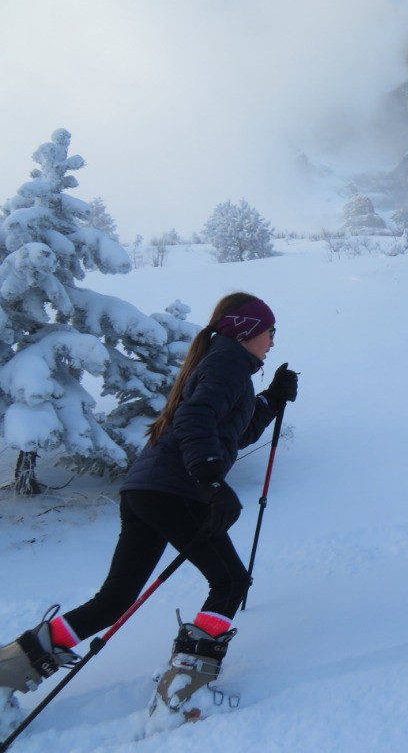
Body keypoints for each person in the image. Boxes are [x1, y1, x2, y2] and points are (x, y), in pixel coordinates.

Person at [0, 292, 298, 723]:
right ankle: (182, 693)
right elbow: (196, 420)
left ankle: (9, 668)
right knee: (230, 581)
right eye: (270, 330)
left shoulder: (221, 364)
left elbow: (231, 431)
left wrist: (270, 400)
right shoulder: (227, 365)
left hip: (146, 489)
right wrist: (212, 480)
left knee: (113, 601)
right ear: (247, 331)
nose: (273, 340)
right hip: (175, 490)